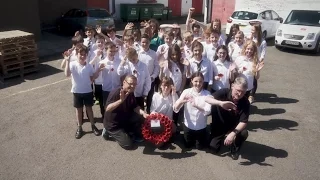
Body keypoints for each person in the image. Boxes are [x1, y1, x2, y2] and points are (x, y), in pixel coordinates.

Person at [205, 76, 250, 160]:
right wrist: (220, 103)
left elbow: (243, 121)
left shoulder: (245, 102)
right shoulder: (224, 92)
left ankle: (235, 146)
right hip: (219, 125)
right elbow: (207, 99)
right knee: (213, 149)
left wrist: (233, 134)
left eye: (243, 92)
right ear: (232, 86)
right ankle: (216, 135)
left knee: (244, 132)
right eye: (238, 90)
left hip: (233, 127)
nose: (240, 94)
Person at [64, 44, 103, 139]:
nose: (82, 56)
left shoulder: (89, 66)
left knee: (89, 109)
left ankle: (93, 126)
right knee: (78, 110)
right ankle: (79, 128)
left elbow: (92, 78)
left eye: (84, 54)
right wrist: (67, 60)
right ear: (76, 54)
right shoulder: (72, 64)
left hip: (88, 91)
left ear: (87, 55)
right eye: (80, 54)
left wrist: (98, 70)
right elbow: (67, 74)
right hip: (77, 91)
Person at [103, 75, 149, 150]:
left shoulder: (130, 92)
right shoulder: (116, 92)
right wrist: (120, 101)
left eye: (134, 84)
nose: (132, 86)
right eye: (130, 83)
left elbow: (135, 107)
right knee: (128, 145)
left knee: (140, 117)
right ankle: (107, 131)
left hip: (124, 119)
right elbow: (107, 109)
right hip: (113, 125)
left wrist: (143, 113)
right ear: (124, 82)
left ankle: (127, 131)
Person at [173, 72, 211, 149]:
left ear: (203, 82)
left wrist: (196, 106)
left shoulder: (207, 94)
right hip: (188, 125)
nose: (198, 83)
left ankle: (205, 134)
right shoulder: (186, 91)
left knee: (199, 147)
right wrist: (182, 101)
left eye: (200, 81)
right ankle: (182, 136)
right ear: (191, 81)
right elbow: (175, 108)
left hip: (201, 126)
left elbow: (208, 111)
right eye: (196, 81)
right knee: (188, 146)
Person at [138, 34, 160, 114]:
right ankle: (141, 117)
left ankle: (149, 116)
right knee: (140, 99)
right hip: (139, 81)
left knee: (149, 99)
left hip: (150, 80)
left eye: (146, 42)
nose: (144, 44)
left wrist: (153, 76)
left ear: (149, 42)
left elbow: (157, 66)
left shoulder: (153, 53)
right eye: (143, 42)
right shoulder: (138, 53)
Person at [248, 24, 267, 102]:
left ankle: (252, 95)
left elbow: (263, 52)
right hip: (248, 59)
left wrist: (261, 59)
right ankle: (247, 92)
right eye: (251, 30)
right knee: (247, 75)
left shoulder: (262, 41)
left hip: (256, 61)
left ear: (258, 31)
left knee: (254, 78)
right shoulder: (250, 38)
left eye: (253, 30)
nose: (251, 31)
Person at [88, 34, 106, 117]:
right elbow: (90, 64)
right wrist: (96, 56)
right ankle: (103, 113)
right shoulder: (93, 53)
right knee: (100, 100)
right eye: (99, 42)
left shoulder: (107, 51)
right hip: (98, 80)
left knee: (106, 100)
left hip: (106, 80)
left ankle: (105, 115)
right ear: (96, 43)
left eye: (102, 42)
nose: (100, 43)